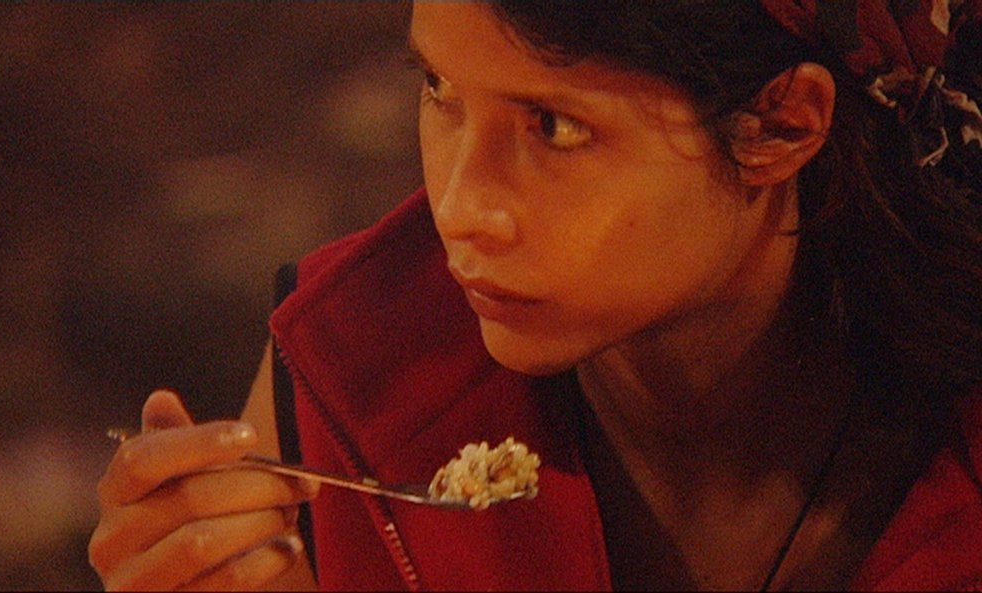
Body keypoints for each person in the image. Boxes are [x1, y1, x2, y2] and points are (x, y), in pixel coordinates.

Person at [89, 1, 982, 590]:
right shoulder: (359, 373)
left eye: (553, 126)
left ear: (782, 123)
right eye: (439, 89)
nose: (458, 208)